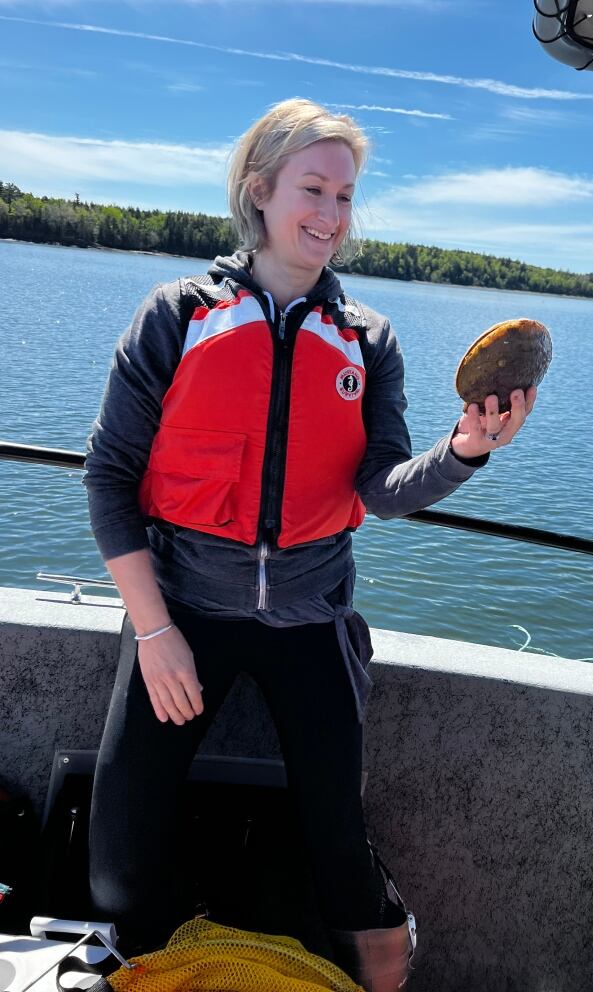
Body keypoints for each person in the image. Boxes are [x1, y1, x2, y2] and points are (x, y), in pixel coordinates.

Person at [83, 98, 537, 991]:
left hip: (312, 619)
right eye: (313, 189)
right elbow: (108, 479)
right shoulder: (174, 316)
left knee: (340, 850)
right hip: (182, 616)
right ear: (261, 191)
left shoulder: (369, 339)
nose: (330, 215)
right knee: (117, 866)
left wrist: (467, 451)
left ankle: (377, 968)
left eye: (346, 195)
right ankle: (185, 965)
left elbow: (382, 488)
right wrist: (153, 629)